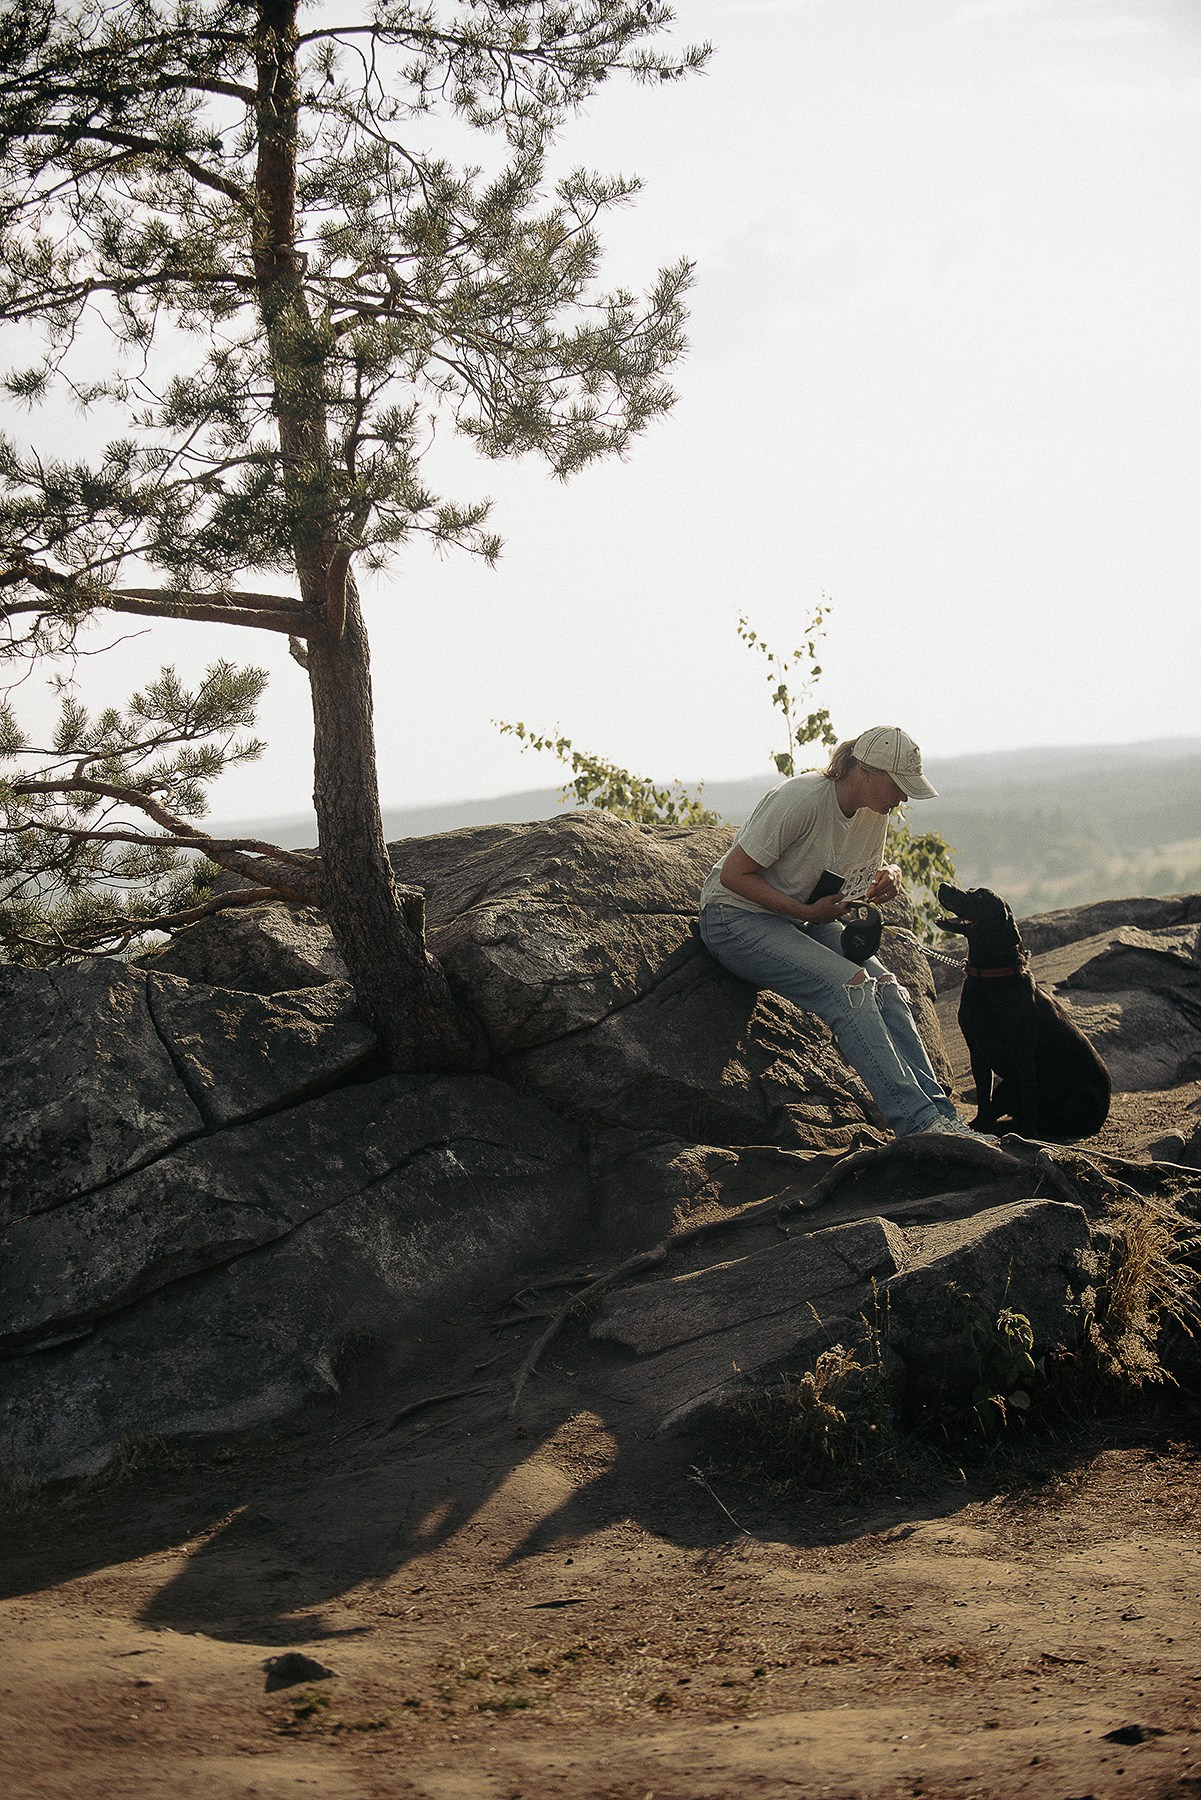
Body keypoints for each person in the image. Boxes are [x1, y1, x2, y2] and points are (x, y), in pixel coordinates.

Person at [699, 725, 988, 1142]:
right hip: (734, 918)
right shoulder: (802, 798)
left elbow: (849, 882)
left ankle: (942, 1115)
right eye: (900, 786)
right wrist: (804, 910)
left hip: (799, 920)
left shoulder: (876, 811)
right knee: (850, 986)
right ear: (866, 771)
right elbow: (734, 875)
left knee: (887, 986)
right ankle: (919, 1125)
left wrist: (885, 878)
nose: (905, 797)